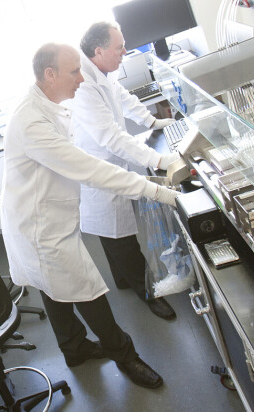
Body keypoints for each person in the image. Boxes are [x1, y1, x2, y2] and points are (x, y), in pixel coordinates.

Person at [0, 43, 180, 390]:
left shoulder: (46, 104)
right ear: (49, 74)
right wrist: (156, 189)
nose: (82, 79)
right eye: (74, 72)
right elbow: (87, 168)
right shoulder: (31, 122)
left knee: (53, 289)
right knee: (87, 290)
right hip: (40, 230)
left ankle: (74, 348)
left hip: (40, 218)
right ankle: (125, 356)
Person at [72, 21, 180, 320]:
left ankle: (122, 281)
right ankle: (148, 292)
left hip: (109, 160)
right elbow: (111, 137)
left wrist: (151, 122)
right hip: (99, 165)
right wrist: (160, 160)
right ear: (99, 50)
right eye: (119, 48)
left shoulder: (100, 72)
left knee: (114, 232)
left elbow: (122, 96)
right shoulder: (83, 84)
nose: (124, 52)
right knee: (118, 234)